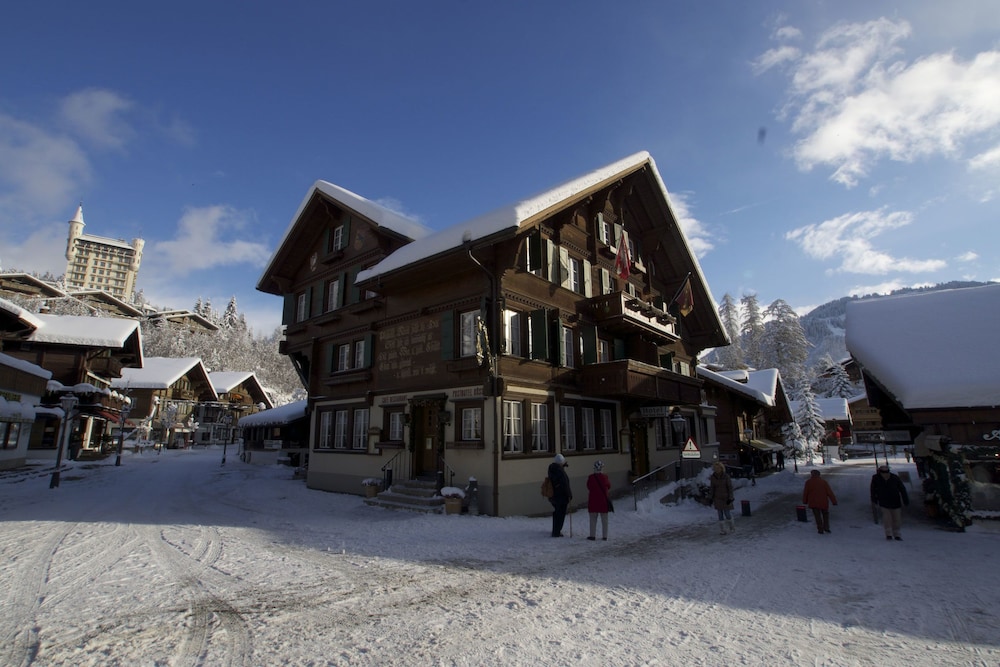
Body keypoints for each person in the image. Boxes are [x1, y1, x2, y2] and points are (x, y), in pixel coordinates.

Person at [871, 464, 909, 541]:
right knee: (887, 518)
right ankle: (889, 533)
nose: (885, 474)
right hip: (884, 501)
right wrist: (874, 499)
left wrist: (905, 499)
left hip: (895, 501)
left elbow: (902, 489)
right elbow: (873, 490)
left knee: (897, 518)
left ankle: (896, 533)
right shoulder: (876, 478)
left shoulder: (894, 478)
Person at [802, 469, 837, 534]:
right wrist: (834, 501)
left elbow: (805, 493)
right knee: (825, 515)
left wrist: (805, 501)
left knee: (817, 516)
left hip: (813, 502)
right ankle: (826, 527)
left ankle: (820, 529)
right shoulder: (823, 482)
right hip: (823, 502)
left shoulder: (808, 482)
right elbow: (829, 492)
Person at [547, 453, 572, 537]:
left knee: (557, 513)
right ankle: (557, 531)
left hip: (554, 495)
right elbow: (564, 485)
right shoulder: (560, 472)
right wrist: (569, 495)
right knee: (561, 514)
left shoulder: (552, 469)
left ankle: (555, 530)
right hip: (561, 496)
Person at [586, 460, 611, 541]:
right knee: (605, 520)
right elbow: (609, 486)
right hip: (603, 501)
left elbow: (589, 487)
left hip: (593, 501)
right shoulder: (605, 477)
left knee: (593, 519)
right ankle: (605, 536)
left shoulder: (591, 478)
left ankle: (592, 535)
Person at [709, 462, 735, 534]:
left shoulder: (726, 476)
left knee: (727, 513)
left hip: (726, 498)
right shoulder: (713, 477)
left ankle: (731, 527)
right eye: (715, 468)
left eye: (718, 468)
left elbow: (730, 487)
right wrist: (710, 497)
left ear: (721, 468)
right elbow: (712, 488)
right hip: (717, 498)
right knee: (720, 514)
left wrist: (730, 497)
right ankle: (723, 530)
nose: (717, 470)